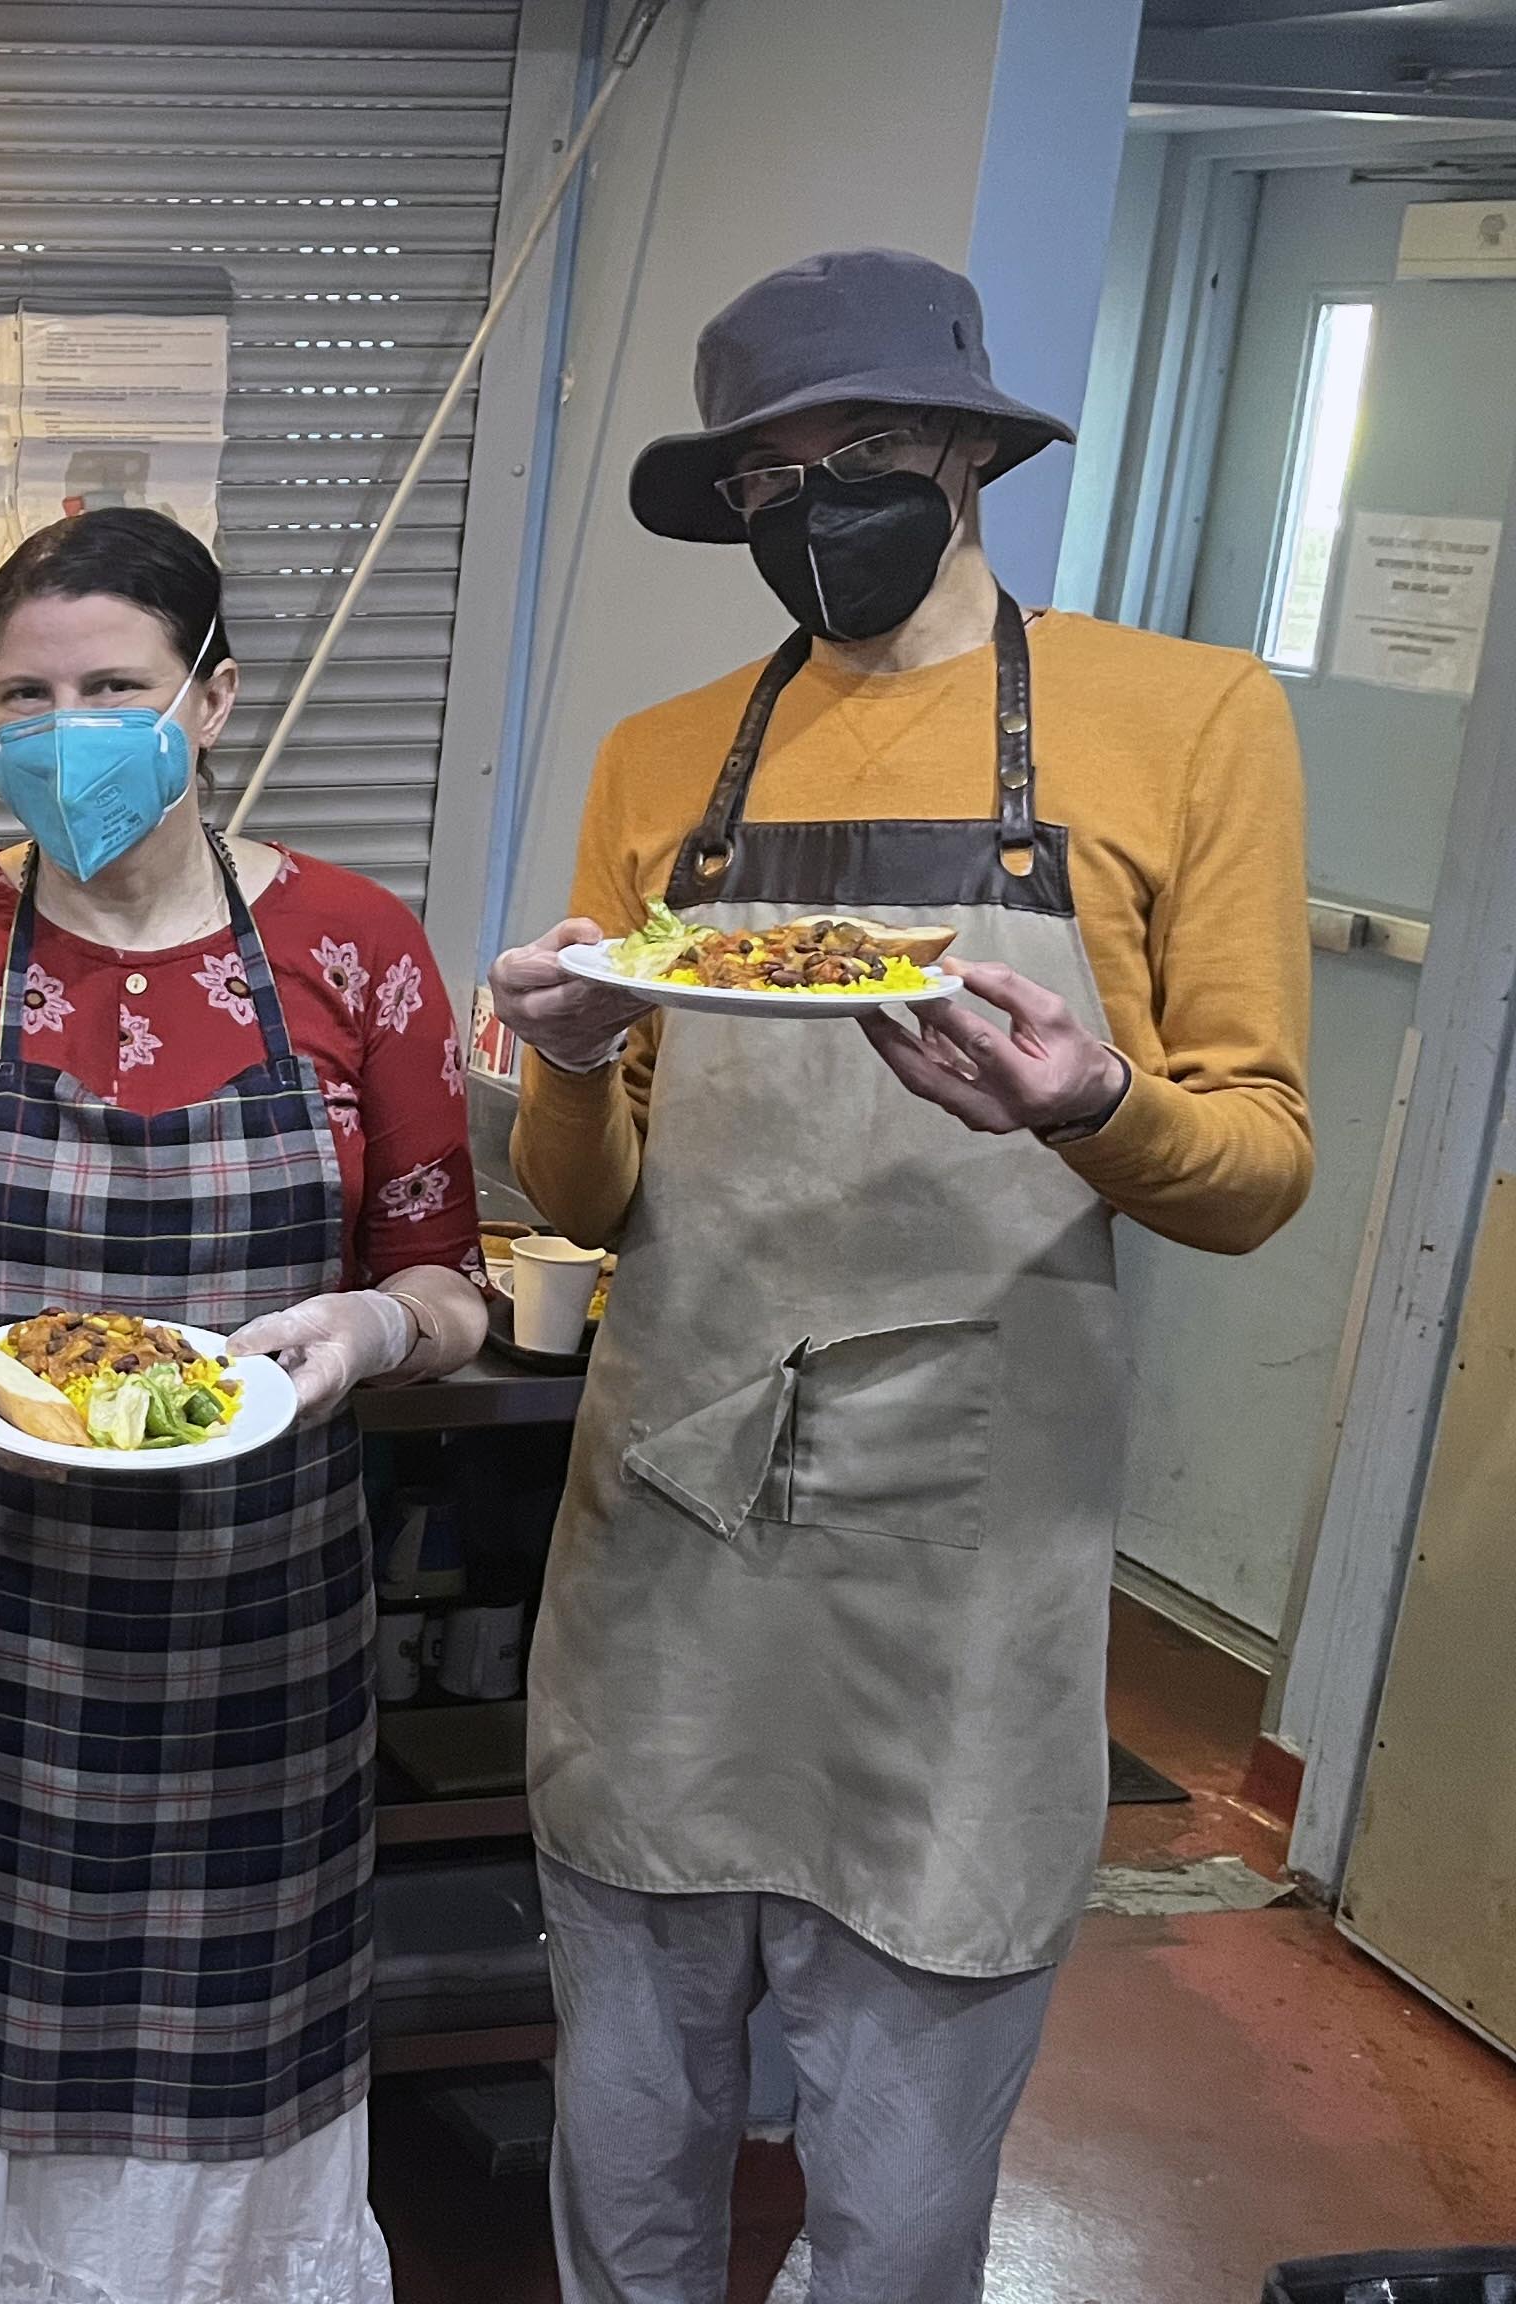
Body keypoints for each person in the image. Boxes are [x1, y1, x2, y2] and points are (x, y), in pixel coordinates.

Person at [485, 249, 1313, 2302]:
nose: (811, 505)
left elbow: (1257, 1172)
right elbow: (591, 1197)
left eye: (856, 452)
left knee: (901, 2189)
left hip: (960, 1582)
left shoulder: (1185, 720)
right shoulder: (664, 757)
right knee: (630, 2141)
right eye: (765, 476)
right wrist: (559, 1073)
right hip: (671, 1540)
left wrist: (1093, 1100)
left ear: (965, 447)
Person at [0, 507, 488, 2304]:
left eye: (114, 687)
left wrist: (369, 1344)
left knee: (216, 2076)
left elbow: (448, 1279)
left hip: (254, 1629)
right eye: (26, 693)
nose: (65, 727)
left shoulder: (356, 945)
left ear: (211, 700)